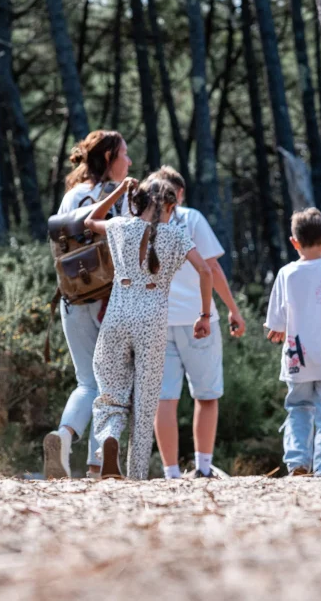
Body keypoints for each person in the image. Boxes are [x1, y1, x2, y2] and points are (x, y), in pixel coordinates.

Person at [86, 176, 213, 480]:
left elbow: (91, 221)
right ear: (170, 205)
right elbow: (206, 270)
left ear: (138, 202)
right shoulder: (177, 235)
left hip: (117, 314)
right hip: (153, 320)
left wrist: (120, 190)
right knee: (145, 402)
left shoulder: (119, 226)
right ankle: (136, 475)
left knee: (111, 390)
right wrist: (204, 315)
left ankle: (109, 439)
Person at [43, 130, 132, 479]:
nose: (128, 162)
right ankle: (99, 460)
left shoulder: (72, 197)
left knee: (86, 382)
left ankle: (63, 437)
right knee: (111, 384)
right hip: (109, 300)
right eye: (123, 154)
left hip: (72, 297)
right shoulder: (115, 197)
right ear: (109, 158)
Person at [152, 166, 245, 480]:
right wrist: (233, 309)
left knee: (164, 398)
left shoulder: (140, 226)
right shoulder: (191, 218)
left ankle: (171, 472)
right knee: (206, 395)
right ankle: (203, 468)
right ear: (178, 194)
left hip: (157, 321)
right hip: (197, 317)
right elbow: (212, 269)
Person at [265, 208, 321, 477]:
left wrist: (279, 332)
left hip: (298, 358)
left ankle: (298, 463)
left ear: (294, 242)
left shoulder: (286, 274)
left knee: (298, 409)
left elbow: (276, 324)